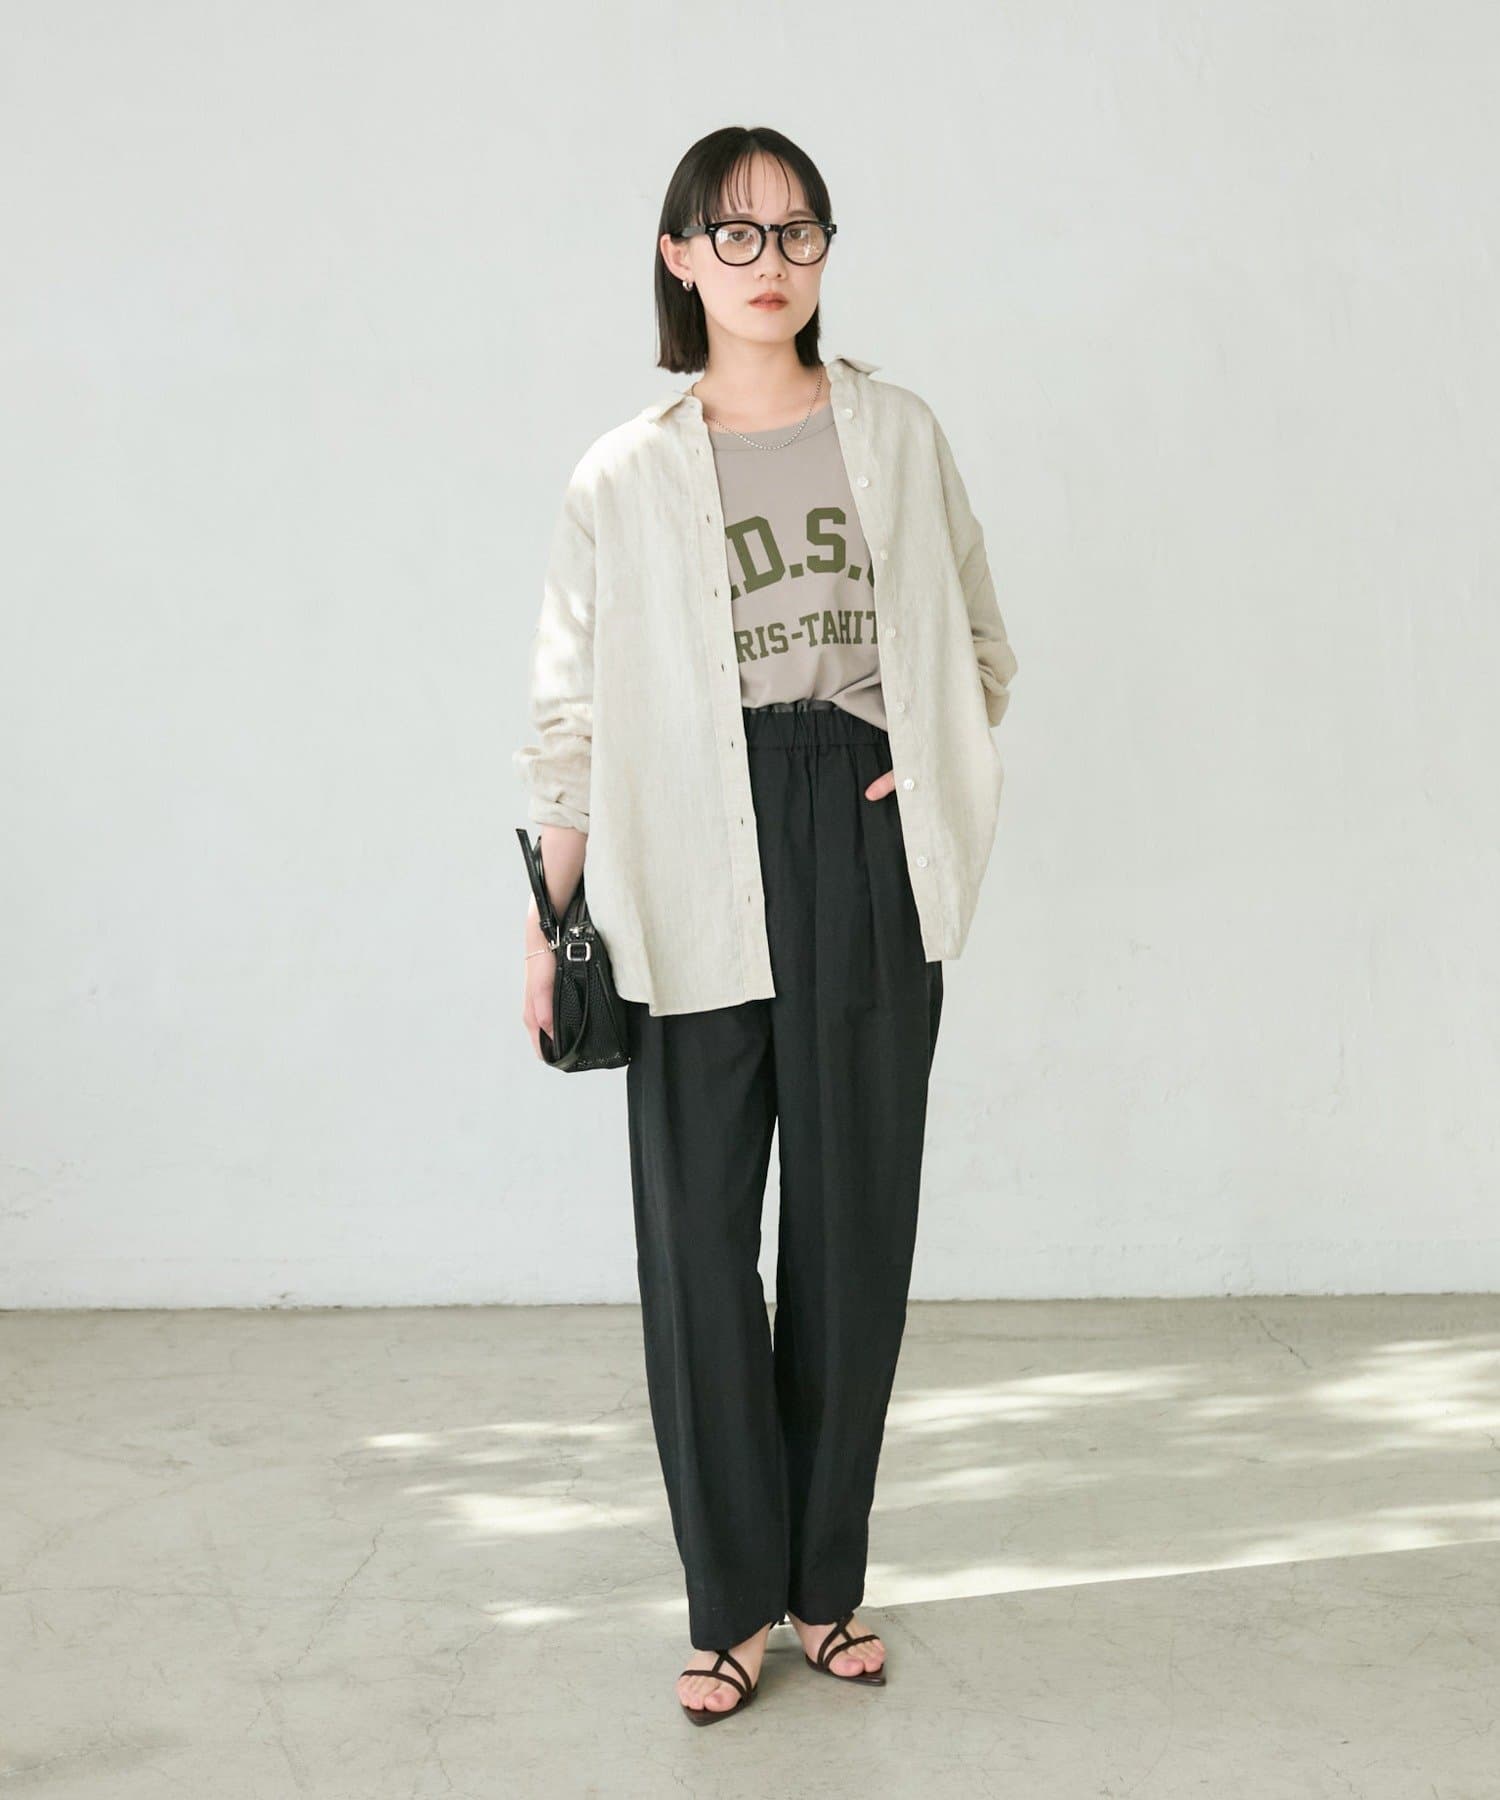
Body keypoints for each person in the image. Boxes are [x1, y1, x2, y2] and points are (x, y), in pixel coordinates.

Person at [514, 125, 1018, 1724]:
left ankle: (824, 1584)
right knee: (695, 1242)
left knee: (854, 1231)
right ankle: (730, 1603)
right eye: (734, 234)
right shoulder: (623, 475)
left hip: (858, 833)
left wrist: (923, 760)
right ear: (678, 257)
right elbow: (571, 718)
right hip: (680, 844)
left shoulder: (897, 432)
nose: (770, 261)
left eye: (799, 231)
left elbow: (979, 642)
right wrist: (550, 914)